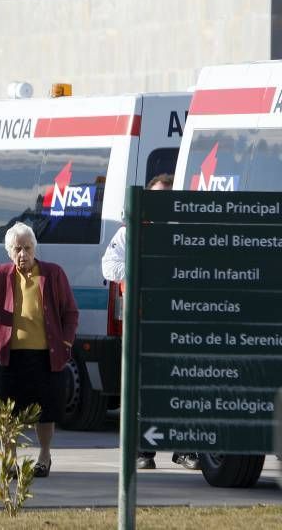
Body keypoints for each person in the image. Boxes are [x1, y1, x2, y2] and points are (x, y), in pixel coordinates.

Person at [0, 222, 78, 478]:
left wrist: (66, 342)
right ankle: (10, 462)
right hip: (11, 358)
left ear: (35, 248)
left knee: (45, 413)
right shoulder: (2, 274)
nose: (23, 254)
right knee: (7, 415)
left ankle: (44, 456)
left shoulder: (53, 273)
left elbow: (70, 312)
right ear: (9, 252)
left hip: (46, 357)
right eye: (17, 249)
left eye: (27, 248)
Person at [101, 173, 200, 471]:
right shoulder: (130, 232)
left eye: (166, 198)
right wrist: (143, 270)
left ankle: (184, 449)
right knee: (143, 388)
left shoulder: (184, 230)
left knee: (181, 386)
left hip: (177, 321)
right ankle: (142, 451)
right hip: (142, 321)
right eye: (156, 196)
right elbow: (109, 265)